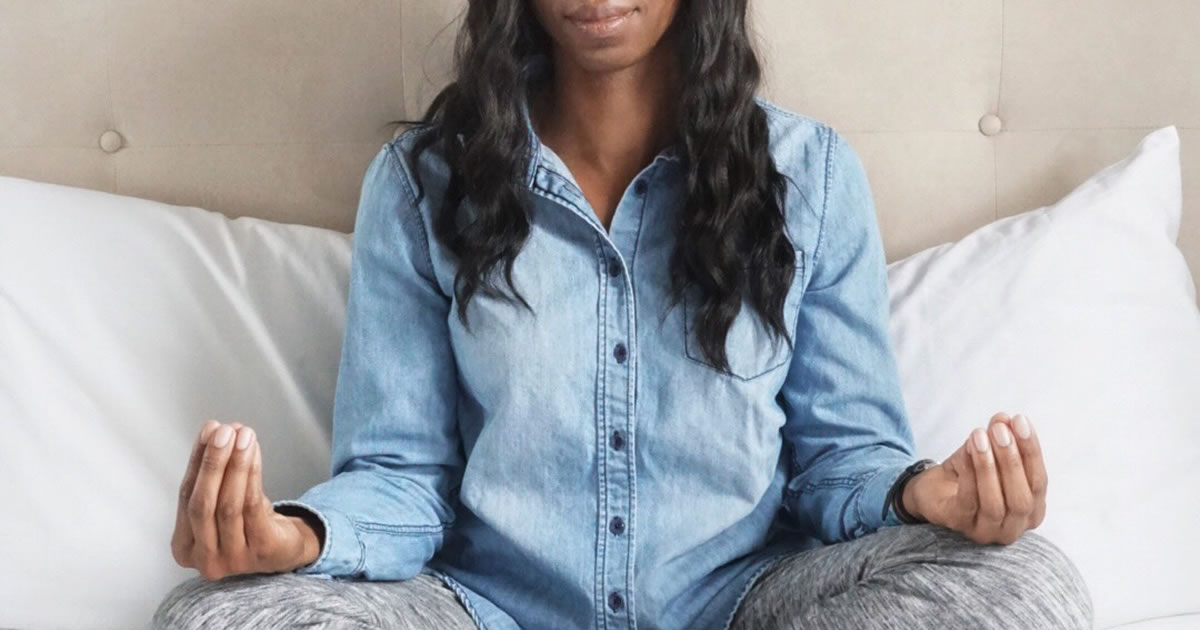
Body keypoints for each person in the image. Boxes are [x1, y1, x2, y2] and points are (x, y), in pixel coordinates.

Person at [154, 1, 1094, 628]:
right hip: (491, 610)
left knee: (1024, 586)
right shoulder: (421, 184)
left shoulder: (809, 176)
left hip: (742, 605)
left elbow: (841, 461)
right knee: (219, 617)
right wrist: (295, 542)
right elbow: (401, 476)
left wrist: (921, 495)